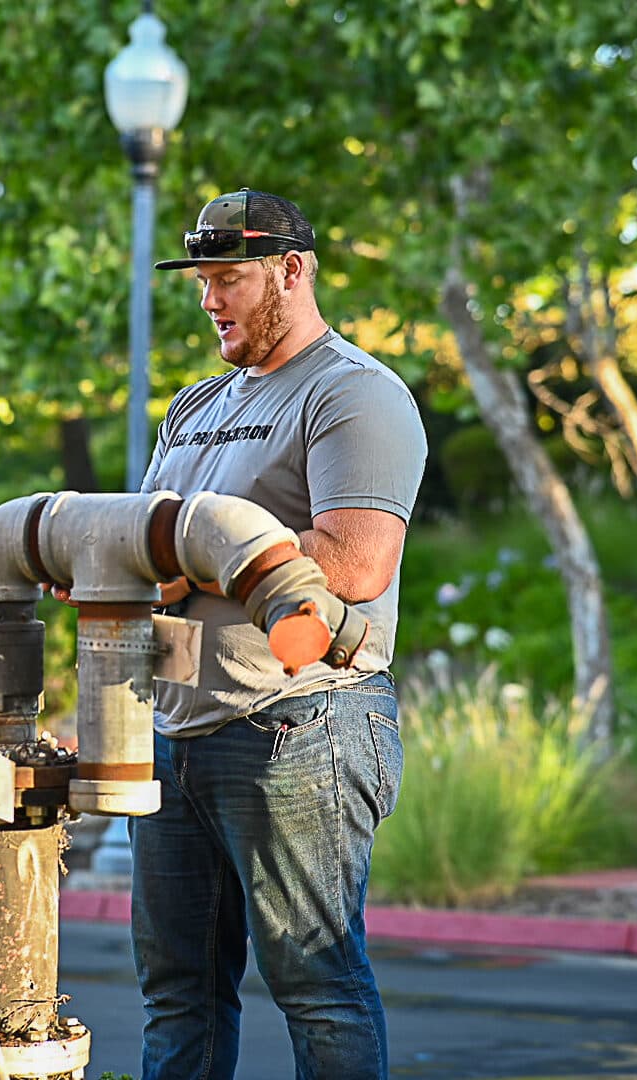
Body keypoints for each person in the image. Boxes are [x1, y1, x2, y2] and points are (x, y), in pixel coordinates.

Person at [133, 188, 427, 1079]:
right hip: (177, 733)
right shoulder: (194, 405)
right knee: (177, 993)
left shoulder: (355, 393)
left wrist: (191, 552)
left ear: (290, 271)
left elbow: (354, 558)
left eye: (227, 278)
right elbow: (151, 541)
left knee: (318, 988)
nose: (208, 299)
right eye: (202, 282)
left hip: (301, 722)